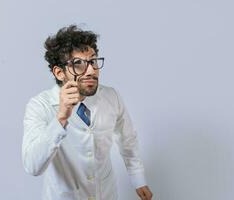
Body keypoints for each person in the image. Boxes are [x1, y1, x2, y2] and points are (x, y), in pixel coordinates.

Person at [22, 25, 153, 200]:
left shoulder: (111, 96)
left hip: (105, 194)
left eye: (93, 61)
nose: (91, 70)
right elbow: (33, 166)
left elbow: (127, 139)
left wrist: (138, 179)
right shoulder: (40, 105)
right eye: (78, 64)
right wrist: (61, 117)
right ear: (59, 72)